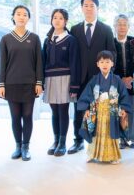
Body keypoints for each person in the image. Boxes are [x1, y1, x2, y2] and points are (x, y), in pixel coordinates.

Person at [68, 0, 117, 153]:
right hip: (80, 77)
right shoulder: (75, 29)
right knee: (79, 110)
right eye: (86, 5)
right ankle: (78, 140)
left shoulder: (106, 29)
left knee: (100, 110)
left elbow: (112, 53)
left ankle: (99, 140)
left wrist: (106, 75)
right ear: (82, 8)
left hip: (99, 78)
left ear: (97, 8)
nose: (88, 8)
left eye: (92, 6)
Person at [0, 5, 43, 161]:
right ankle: (17, 146)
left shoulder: (35, 38)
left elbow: (39, 63)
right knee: (15, 117)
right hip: (11, 84)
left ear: (28, 18)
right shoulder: (6, 39)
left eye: (25, 14)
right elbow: (2, 63)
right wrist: (1, 84)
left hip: (29, 84)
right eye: (18, 14)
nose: (22, 17)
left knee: (28, 115)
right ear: (13, 17)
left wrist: (39, 82)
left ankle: (26, 147)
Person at [76, 51, 134, 164]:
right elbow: (87, 94)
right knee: (95, 133)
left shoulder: (117, 80)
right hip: (97, 111)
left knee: (112, 132)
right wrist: (87, 109)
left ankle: (113, 156)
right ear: (97, 64)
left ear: (112, 64)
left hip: (112, 112)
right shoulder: (94, 79)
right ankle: (92, 153)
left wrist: (123, 109)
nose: (104, 64)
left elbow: (123, 95)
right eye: (101, 62)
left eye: (107, 62)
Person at [42, 8, 81, 157]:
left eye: (60, 18)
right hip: (50, 78)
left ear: (65, 21)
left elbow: (75, 63)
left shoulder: (71, 40)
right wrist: (42, 82)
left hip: (66, 78)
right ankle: (56, 140)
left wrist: (74, 85)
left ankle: (63, 143)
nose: (57, 20)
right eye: (55, 17)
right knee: (54, 111)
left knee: (63, 110)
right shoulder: (47, 40)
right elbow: (43, 61)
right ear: (51, 20)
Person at [112, 14, 134, 148]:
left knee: (131, 109)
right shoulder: (111, 41)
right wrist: (121, 78)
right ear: (114, 26)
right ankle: (121, 138)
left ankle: (132, 139)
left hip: (133, 81)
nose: (122, 27)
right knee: (119, 110)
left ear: (128, 26)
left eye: (124, 24)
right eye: (119, 24)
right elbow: (109, 62)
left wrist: (131, 78)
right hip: (116, 82)